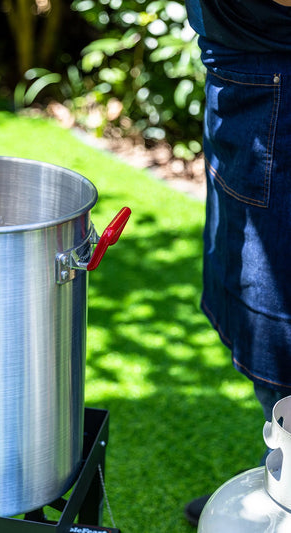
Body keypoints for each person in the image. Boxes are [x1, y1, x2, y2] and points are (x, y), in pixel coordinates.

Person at [183, 0, 291, 526]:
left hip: (277, 91)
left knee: (280, 318)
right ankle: (282, 476)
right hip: (244, 82)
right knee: (250, 295)